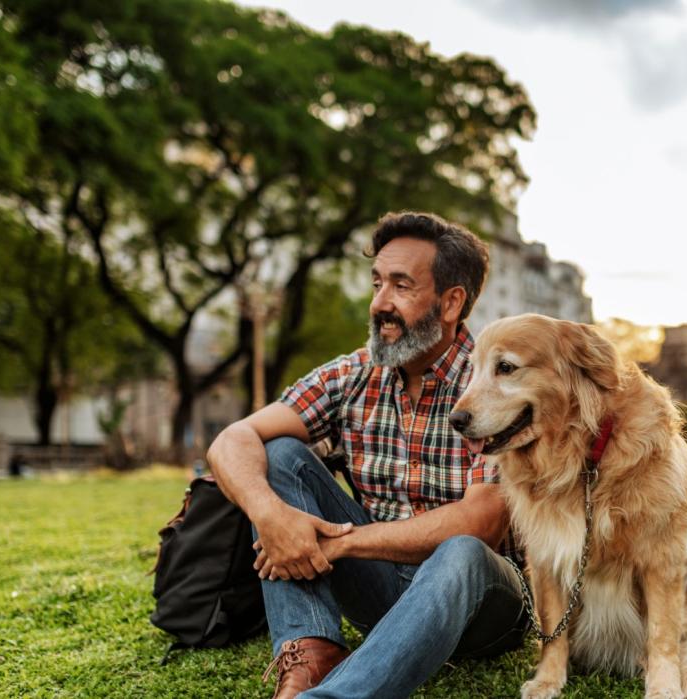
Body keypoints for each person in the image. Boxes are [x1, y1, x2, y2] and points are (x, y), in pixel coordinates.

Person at [206, 212, 526, 699]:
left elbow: (481, 521)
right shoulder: (355, 373)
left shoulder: (496, 382)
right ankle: (311, 651)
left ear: (451, 302)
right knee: (278, 452)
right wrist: (271, 516)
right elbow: (232, 439)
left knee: (461, 551)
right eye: (377, 283)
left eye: (401, 286)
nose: (380, 304)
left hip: (484, 605)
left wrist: (341, 545)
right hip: (380, 589)